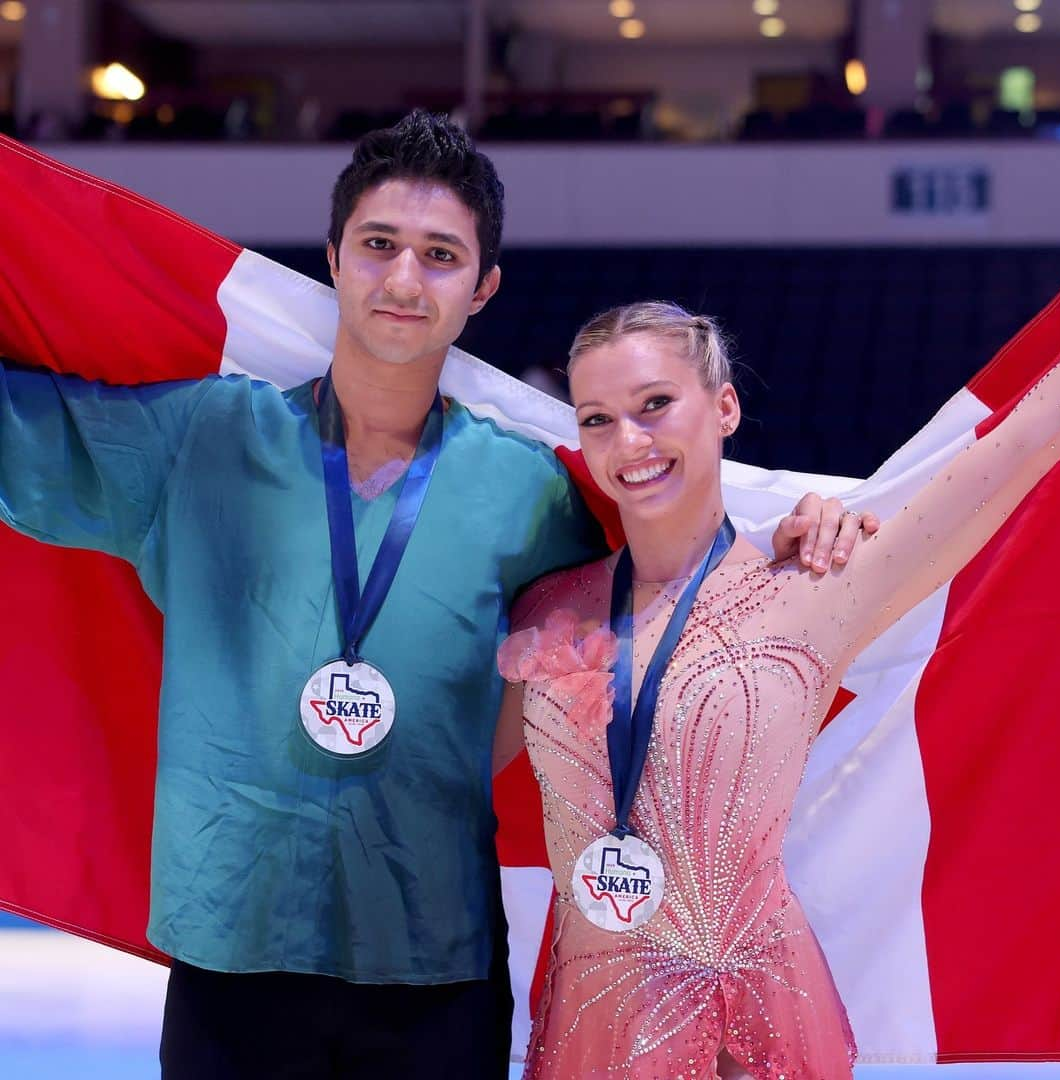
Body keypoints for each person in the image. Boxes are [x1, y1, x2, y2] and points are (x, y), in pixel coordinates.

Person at [0, 114, 868, 1079]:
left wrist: (793, 530)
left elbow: (663, 592)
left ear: (481, 288)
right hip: (229, 959)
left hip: (434, 976)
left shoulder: (527, 493)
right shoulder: (200, 440)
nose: (405, 280)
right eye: (379, 245)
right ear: (333, 258)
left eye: (441, 255)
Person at [495, 300, 1060, 1080]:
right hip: (591, 1033)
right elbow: (444, 767)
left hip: (761, 1032)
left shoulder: (816, 589)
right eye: (597, 419)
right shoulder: (546, 608)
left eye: (656, 404)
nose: (628, 441)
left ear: (725, 406)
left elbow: (1031, 436)